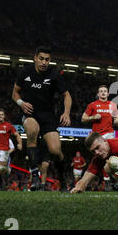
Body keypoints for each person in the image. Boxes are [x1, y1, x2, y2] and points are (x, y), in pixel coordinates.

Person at [11, 46, 72, 191]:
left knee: (56, 150)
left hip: (48, 116)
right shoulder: (25, 72)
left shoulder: (54, 75)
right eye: (41, 59)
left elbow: (66, 95)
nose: (44, 62)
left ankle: (63, 177)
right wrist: (21, 103)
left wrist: (67, 113)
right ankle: (35, 176)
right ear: (35, 58)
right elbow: (15, 93)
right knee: (32, 130)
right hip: (30, 113)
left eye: (47, 60)